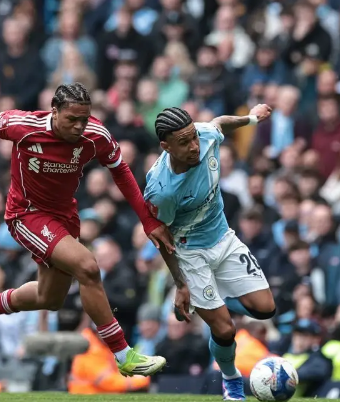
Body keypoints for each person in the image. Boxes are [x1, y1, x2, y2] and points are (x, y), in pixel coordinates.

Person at [0, 83, 173, 377]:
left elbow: (121, 172)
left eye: (84, 119)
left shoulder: (96, 135)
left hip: (64, 216)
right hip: (27, 214)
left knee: (50, 299)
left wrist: (147, 220)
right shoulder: (25, 125)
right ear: (54, 111)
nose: (78, 126)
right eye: (71, 119)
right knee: (88, 267)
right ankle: (123, 355)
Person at [143, 106, 276, 400]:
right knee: (225, 330)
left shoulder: (204, 135)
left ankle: (213, 301)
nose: (194, 146)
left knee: (266, 309)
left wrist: (251, 118)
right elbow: (161, 238)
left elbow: (219, 123)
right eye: (184, 142)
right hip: (190, 254)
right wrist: (180, 284)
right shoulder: (161, 191)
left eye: (193, 136)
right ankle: (231, 381)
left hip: (224, 238)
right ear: (166, 146)